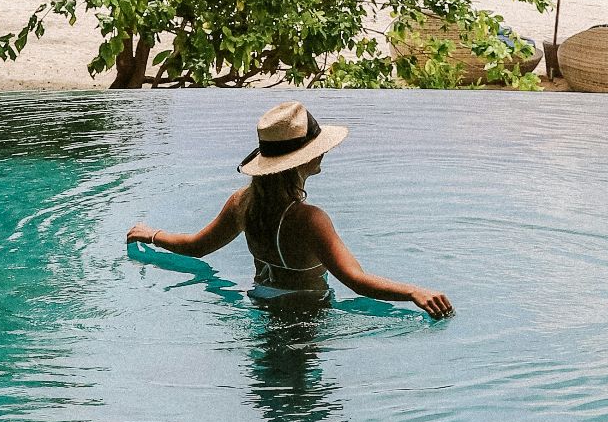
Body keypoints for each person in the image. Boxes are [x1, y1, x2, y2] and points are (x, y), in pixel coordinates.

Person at [127, 102, 454, 318]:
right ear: (303, 159)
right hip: (306, 318)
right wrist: (414, 291)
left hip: (260, 307)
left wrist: (152, 235)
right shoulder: (310, 219)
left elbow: (195, 247)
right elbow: (356, 280)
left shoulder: (243, 203)